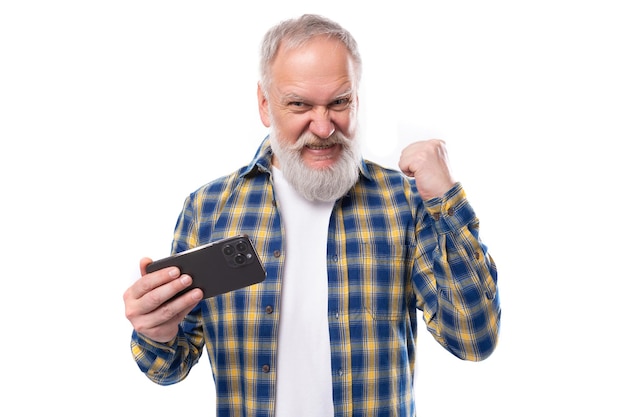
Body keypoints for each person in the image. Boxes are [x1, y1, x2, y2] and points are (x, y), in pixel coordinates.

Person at [124, 13, 501, 417]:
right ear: (265, 104)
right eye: (300, 104)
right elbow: (169, 368)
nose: (323, 127)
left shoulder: (405, 202)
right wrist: (157, 333)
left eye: (339, 102)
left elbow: (474, 338)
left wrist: (445, 198)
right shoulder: (208, 209)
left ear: (358, 98)